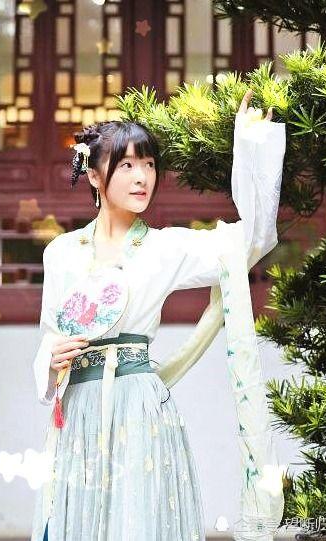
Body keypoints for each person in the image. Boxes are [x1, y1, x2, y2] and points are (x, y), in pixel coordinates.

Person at [30, 89, 286, 541]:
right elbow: (51, 334)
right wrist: (51, 360)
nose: (141, 177)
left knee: (138, 522)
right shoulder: (62, 253)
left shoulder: (165, 247)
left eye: (148, 165)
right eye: (127, 165)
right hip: (80, 407)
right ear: (94, 175)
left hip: (139, 405)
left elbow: (249, 242)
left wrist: (253, 147)